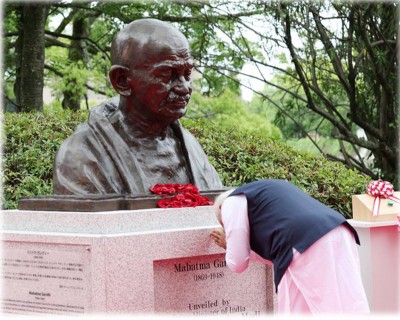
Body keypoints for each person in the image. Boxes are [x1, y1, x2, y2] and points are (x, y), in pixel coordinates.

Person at [53, 19, 223, 195]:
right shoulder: (83, 155)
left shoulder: (190, 147)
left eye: (186, 74)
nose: (184, 87)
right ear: (122, 81)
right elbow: (88, 220)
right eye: (167, 74)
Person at [210, 179, 370, 314]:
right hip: (338, 230)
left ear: (220, 210)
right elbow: (273, 254)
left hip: (304, 243)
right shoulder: (264, 193)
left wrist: (229, 244)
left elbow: (237, 263)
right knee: (349, 304)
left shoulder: (230, 202)